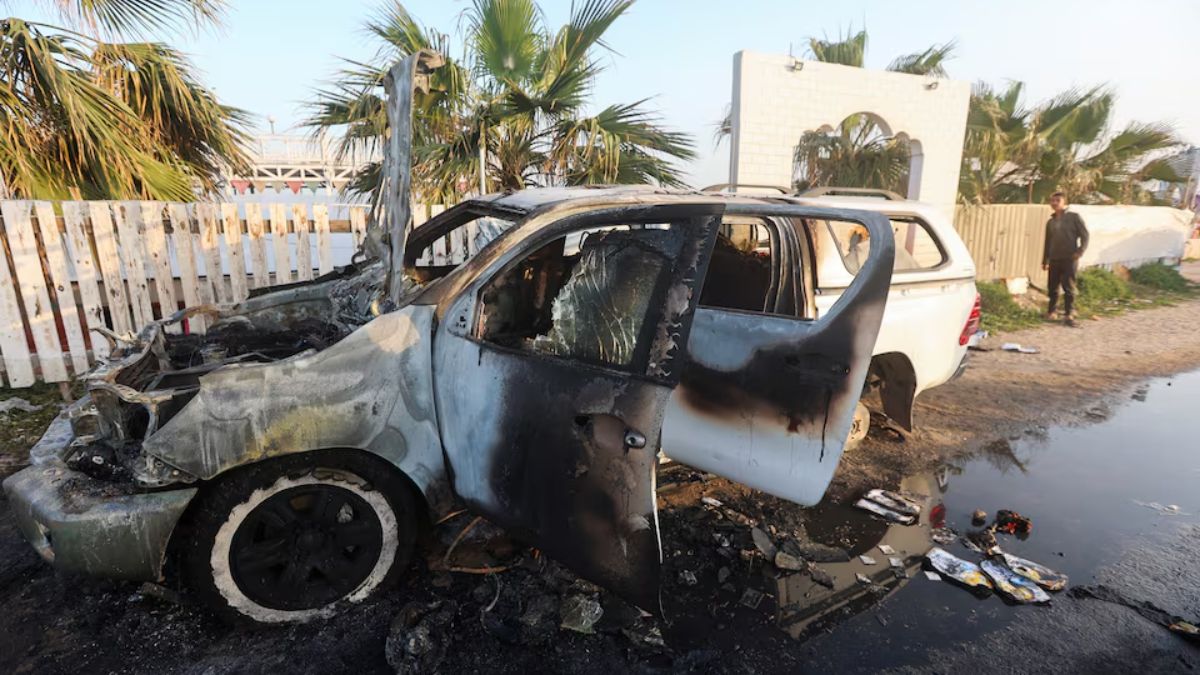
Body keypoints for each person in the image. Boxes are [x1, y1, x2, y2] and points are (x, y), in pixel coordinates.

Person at [1041, 192, 1089, 327]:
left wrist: (1080, 251)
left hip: (1070, 258)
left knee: (1068, 287)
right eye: (1052, 200)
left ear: (1064, 202)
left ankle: (1069, 313)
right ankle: (1051, 311)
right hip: (1055, 258)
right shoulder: (1050, 222)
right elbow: (1047, 242)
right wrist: (1045, 260)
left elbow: (1085, 235)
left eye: (1058, 200)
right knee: (1052, 287)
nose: (1054, 203)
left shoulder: (1074, 217)